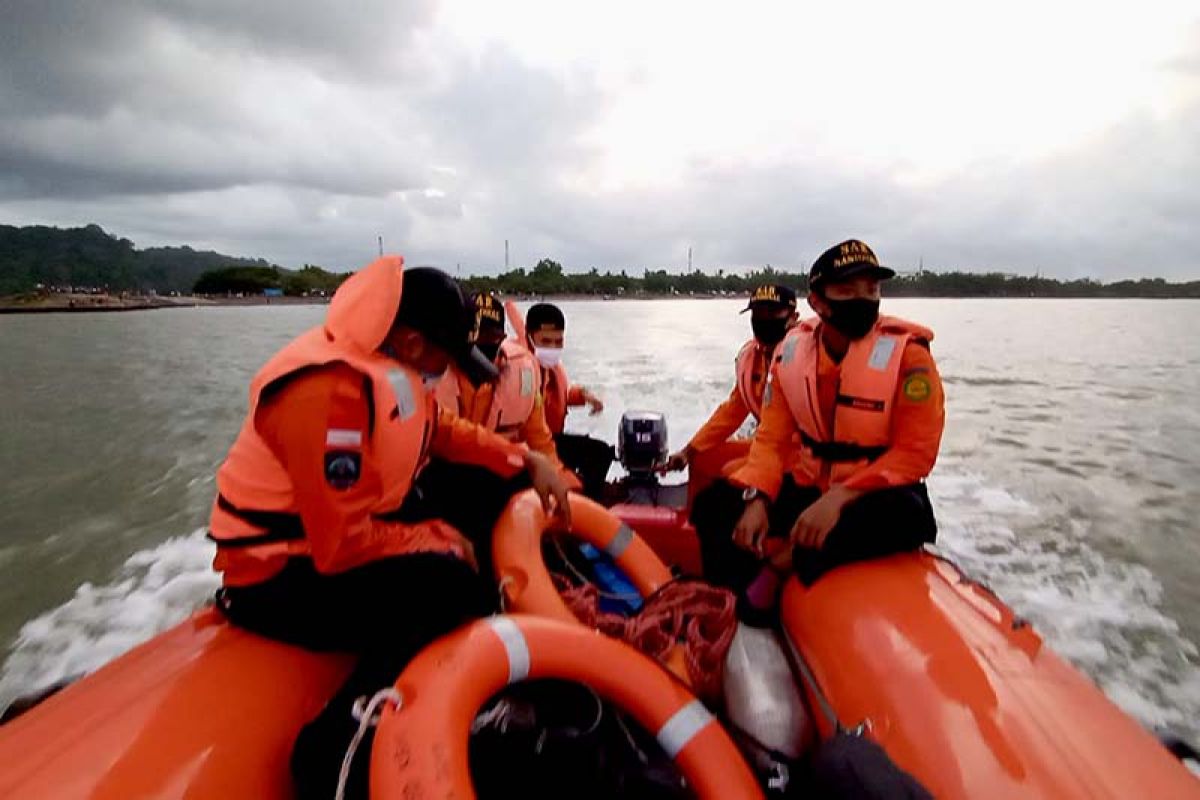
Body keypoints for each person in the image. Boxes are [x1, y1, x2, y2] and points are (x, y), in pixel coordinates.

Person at [206, 256, 571, 799]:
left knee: (484, 493)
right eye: (448, 356)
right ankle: (333, 751)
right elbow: (340, 548)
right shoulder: (328, 392)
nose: (449, 371)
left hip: (338, 533)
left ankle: (474, 657)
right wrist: (436, 540)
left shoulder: (391, 367)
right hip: (277, 572)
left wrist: (524, 461)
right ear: (414, 342)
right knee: (448, 588)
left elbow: (441, 430)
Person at [692, 240, 943, 615]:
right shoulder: (791, 354)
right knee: (711, 506)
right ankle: (732, 600)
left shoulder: (910, 356)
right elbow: (772, 438)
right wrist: (758, 497)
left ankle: (780, 567)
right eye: (847, 290)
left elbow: (916, 452)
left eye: (871, 290)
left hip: (876, 493)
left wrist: (840, 498)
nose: (863, 299)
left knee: (904, 516)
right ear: (818, 302)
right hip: (810, 481)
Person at [663, 284, 800, 504]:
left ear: (793, 317)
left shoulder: (807, 355)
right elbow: (732, 411)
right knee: (702, 458)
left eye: (772, 313)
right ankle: (694, 526)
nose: (764, 320)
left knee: (732, 473)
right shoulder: (752, 357)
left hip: (801, 453)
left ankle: (755, 532)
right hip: (767, 446)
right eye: (758, 314)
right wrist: (689, 451)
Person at [436, 292, 563, 465]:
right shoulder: (431, 374)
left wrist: (559, 481)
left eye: (493, 337)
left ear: (502, 338)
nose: (484, 345)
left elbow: (539, 437)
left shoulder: (524, 373)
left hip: (498, 468)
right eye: (477, 337)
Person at [522, 302, 614, 498]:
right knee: (597, 453)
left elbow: (556, 396)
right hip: (529, 444)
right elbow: (530, 404)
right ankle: (579, 502)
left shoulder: (551, 366)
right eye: (546, 341)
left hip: (552, 437)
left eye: (558, 342)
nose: (553, 348)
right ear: (529, 337)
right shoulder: (522, 369)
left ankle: (586, 502)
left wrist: (583, 396)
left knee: (602, 452)